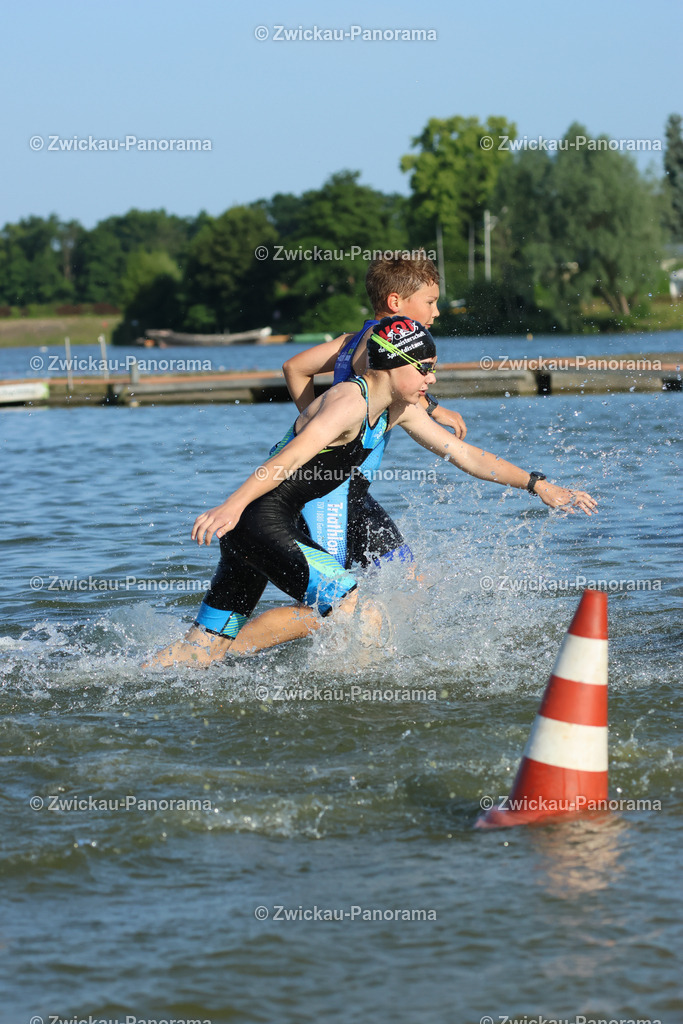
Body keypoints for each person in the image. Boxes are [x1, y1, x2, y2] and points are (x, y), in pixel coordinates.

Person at [145, 316, 597, 668]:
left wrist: (538, 485)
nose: (431, 380)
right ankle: (356, 711)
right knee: (359, 610)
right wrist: (233, 505)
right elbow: (285, 459)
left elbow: (467, 456)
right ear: (394, 364)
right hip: (257, 521)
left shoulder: (396, 410)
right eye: (424, 369)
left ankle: (126, 677)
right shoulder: (348, 402)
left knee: (203, 649)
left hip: (255, 528)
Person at [281, 252, 465, 571]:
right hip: (333, 493)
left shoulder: (352, 341)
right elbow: (386, 379)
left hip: (352, 490)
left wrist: (314, 418)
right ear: (396, 302)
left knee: (406, 578)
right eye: (430, 301)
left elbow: (294, 367)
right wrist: (432, 408)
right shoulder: (373, 346)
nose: (435, 312)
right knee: (329, 604)